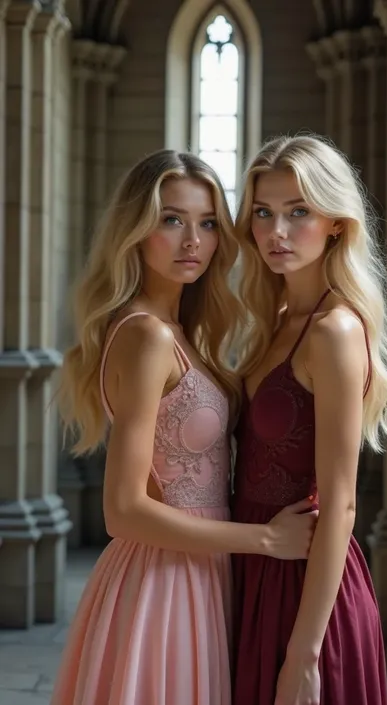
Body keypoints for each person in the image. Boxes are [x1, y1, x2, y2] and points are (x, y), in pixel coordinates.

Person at [51, 149, 317, 705]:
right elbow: (122, 510)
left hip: (201, 572)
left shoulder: (178, 331)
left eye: (207, 224)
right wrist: (265, 540)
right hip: (161, 581)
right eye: (171, 220)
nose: (192, 240)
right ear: (137, 229)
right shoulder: (147, 336)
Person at [232, 135, 387, 705]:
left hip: (306, 586)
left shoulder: (334, 331)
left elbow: (342, 502)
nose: (276, 231)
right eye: (263, 213)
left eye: (298, 212)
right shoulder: (272, 320)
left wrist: (304, 654)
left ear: (335, 222)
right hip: (255, 564)